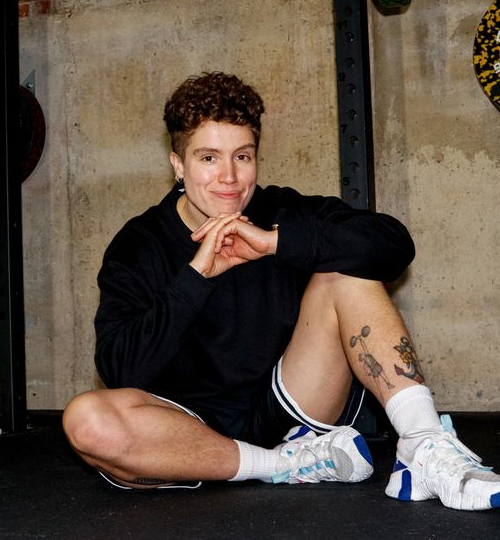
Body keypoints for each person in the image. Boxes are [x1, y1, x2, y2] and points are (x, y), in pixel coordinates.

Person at [63, 72, 500, 510]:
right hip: (186, 430)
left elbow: (394, 243)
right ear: (178, 164)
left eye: (242, 156)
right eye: (209, 158)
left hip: (292, 409)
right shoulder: (139, 245)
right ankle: (279, 465)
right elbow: (121, 370)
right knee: (87, 421)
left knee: (346, 264)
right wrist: (196, 276)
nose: (229, 177)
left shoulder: (280, 210)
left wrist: (278, 243)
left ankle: (423, 444)